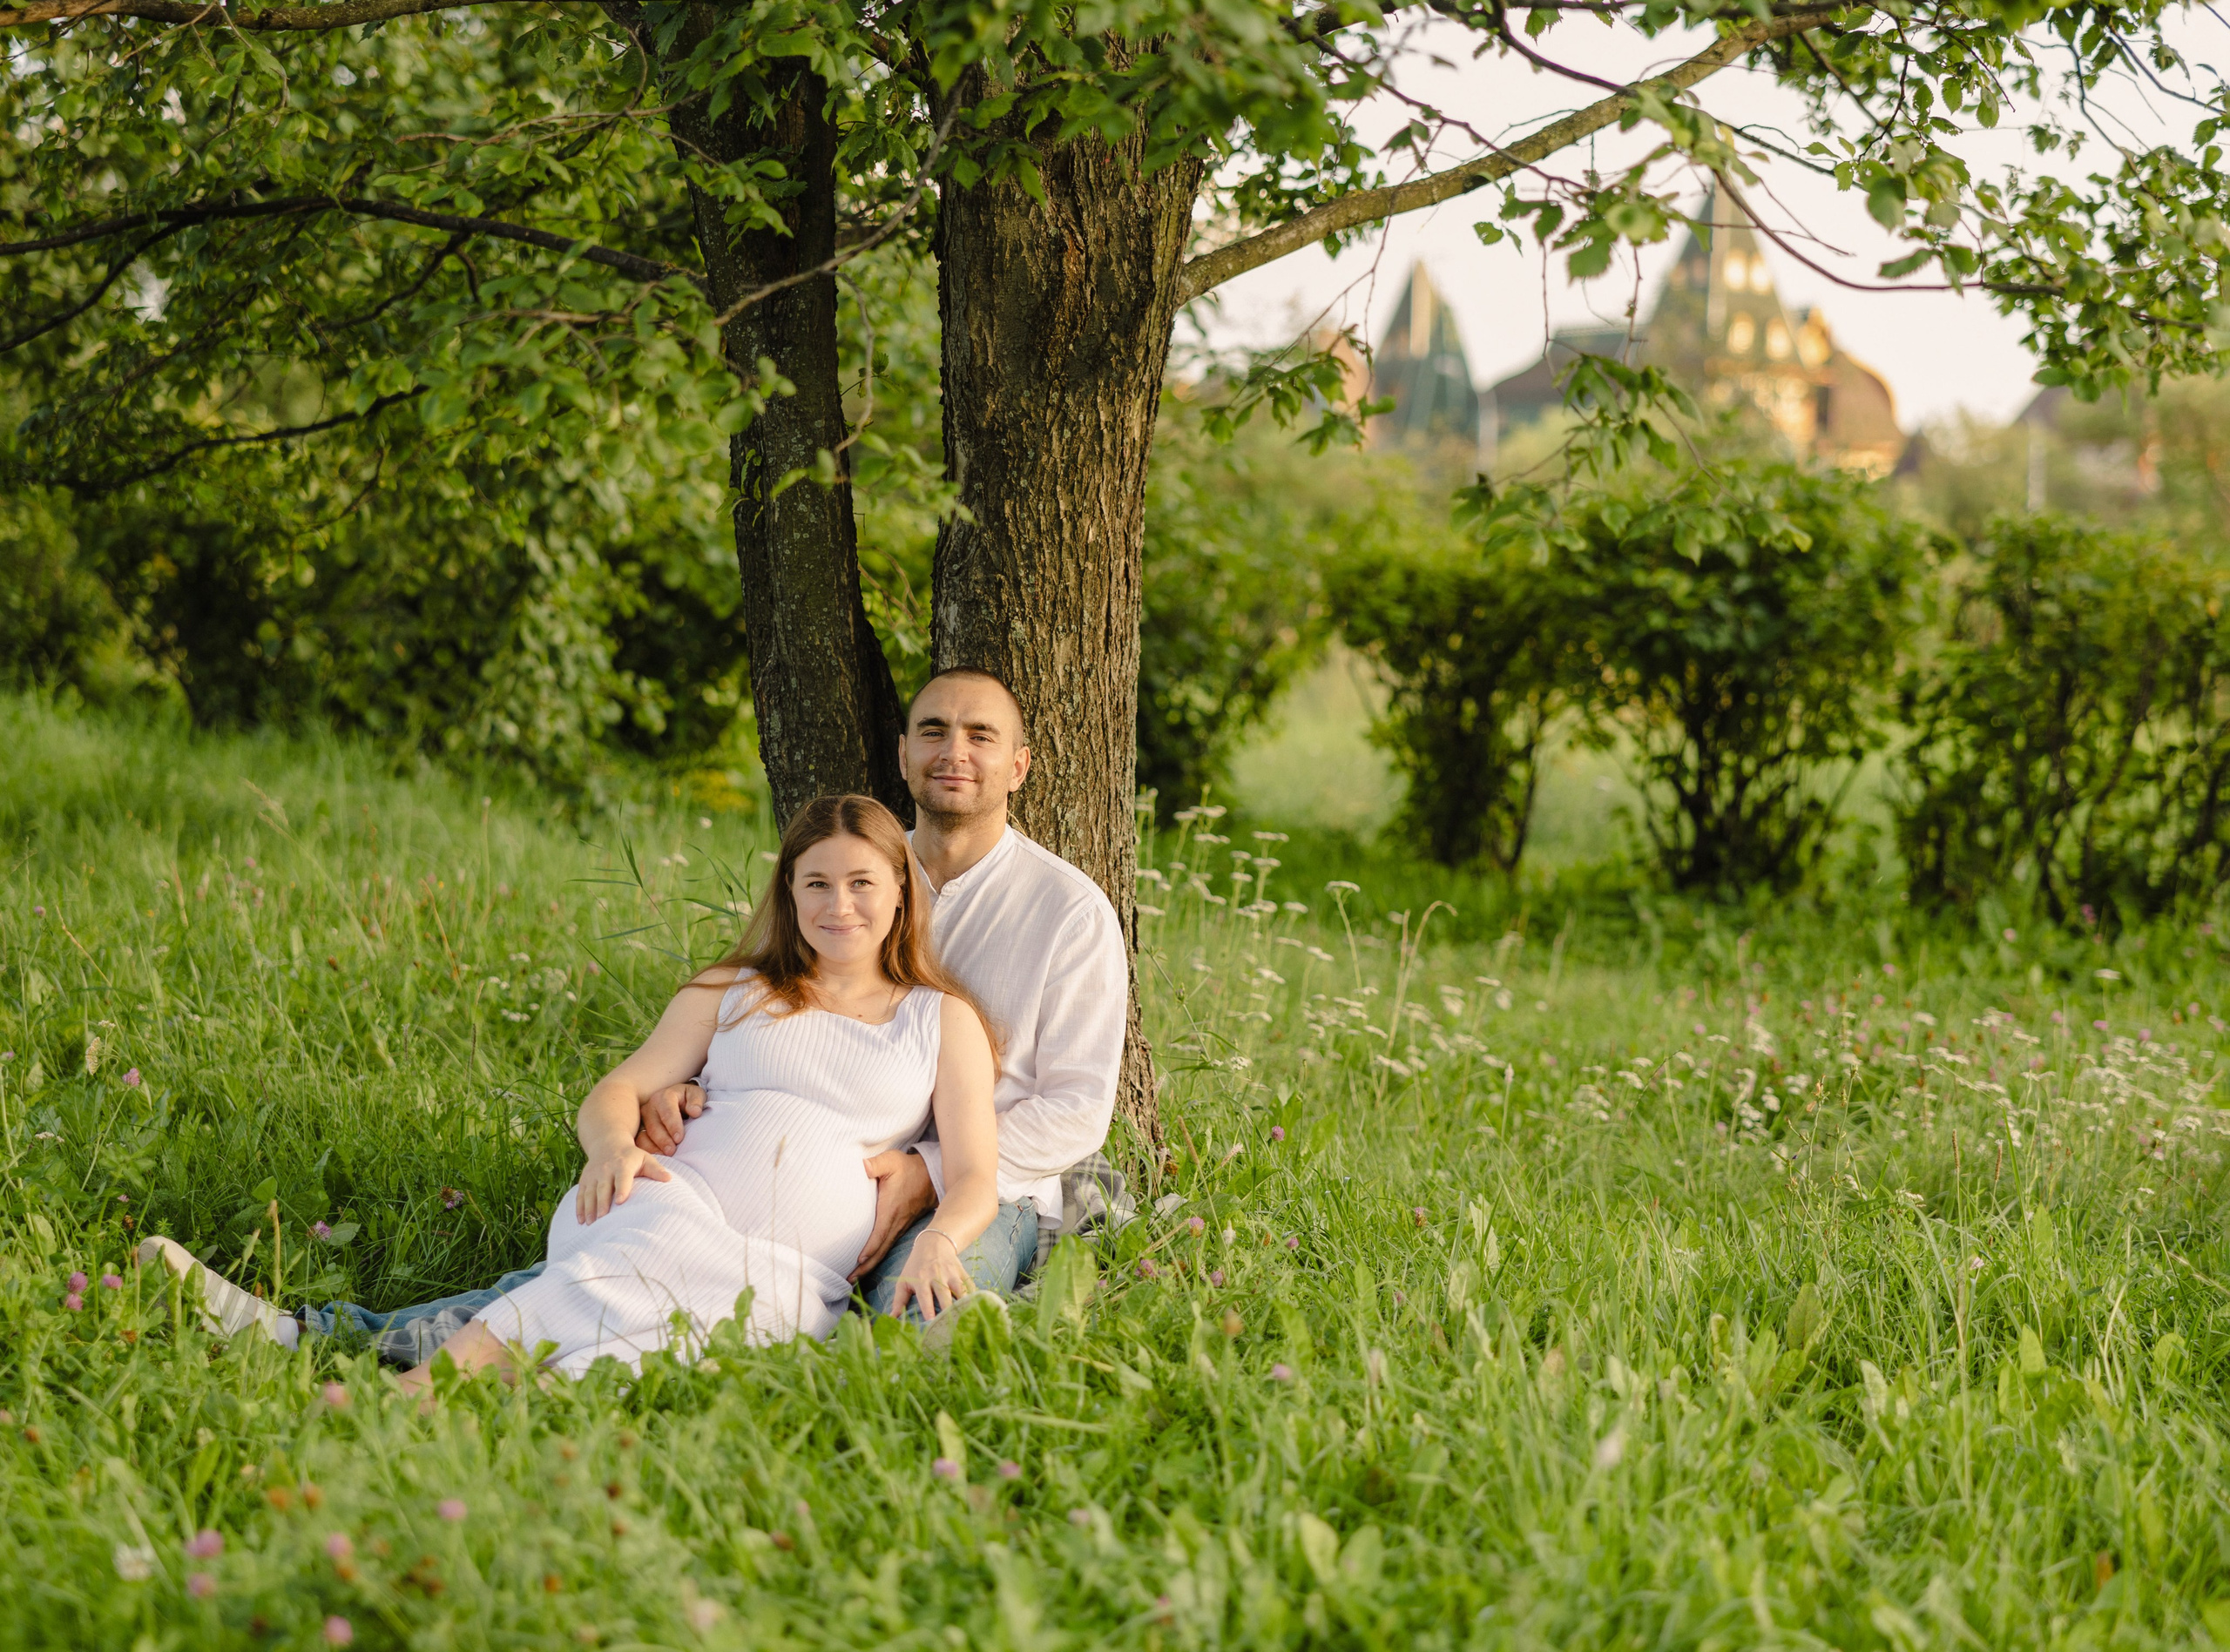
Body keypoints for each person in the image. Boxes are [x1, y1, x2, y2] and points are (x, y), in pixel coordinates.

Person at [145, 665, 1131, 1362]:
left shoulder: (1066, 911)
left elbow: (1078, 1111)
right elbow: (776, 1024)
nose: (952, 751)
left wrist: (923, 1179)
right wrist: (697, 1092)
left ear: (1020, 766)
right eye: (932, 731)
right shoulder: (865, 869)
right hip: (776, 1172)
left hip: (990, 1186)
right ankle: (326, 1337)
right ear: (905, 752)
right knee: (620, 1261)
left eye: (980, 736)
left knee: (900, 1320)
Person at [139, 795, 1004, 1380]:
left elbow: (972, 1174)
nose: (838, 904)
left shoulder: (939, 1018)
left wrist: (940, 1240)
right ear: (788, 890)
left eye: (861, 882)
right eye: (816, 881)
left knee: (672, 1311)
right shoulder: (734, 987)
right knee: (629, 1259)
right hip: (667, 1202)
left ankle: (316, 1347)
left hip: (792, 1272)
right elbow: (618, 1089)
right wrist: (613, 1146)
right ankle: (403, 1396)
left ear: (900, 892)